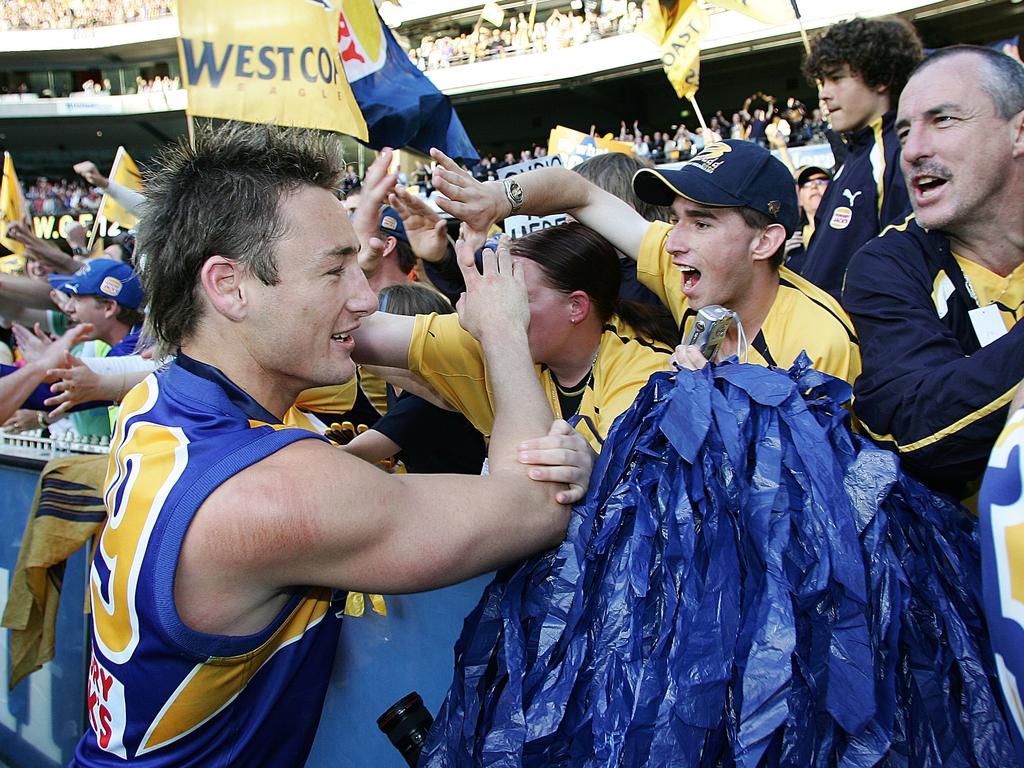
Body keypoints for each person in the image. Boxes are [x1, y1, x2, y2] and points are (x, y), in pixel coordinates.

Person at [72, 122, 593, 766]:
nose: (364, 294)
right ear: (229, 286)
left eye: (359, 261)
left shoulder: (156, 404)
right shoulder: (274, 495)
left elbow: (333, 334)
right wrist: (504, 330)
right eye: (334, 269)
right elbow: (536, 505)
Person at [429, 140, 861, 384]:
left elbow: (814, 501)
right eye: (675, 220)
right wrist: (497, 199)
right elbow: (579, 192)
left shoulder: (820, 342)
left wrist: (720, 401)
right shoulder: (695, 275)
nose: (672, 242)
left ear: (764, 242)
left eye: (702, 224)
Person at [842, 44, 1024, 503]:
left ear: (1019, 133)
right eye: (905, 130)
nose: (914, 150)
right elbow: (920, 427)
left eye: (943, 120)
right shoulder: (887, 265)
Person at [354, 221, 674, 454]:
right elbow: (357, 331)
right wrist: (353, 274)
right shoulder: (490, 332)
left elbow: (615, 481)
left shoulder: (645, 371)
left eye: (517, 295)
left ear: (576, 306)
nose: (499, 308)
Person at [798, 17, 922, 298]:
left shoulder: (902, 155)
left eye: (837, 78)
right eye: (821, 81)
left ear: (880, 78)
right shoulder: (856, 155)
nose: (824, 94)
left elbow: (904, 272)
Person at [784, 165, 831, 273]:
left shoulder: (846, 232)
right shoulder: (789, 238)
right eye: (806, 184)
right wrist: (778, 259)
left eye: (821, 181)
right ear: (799, 199)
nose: (814, 186)